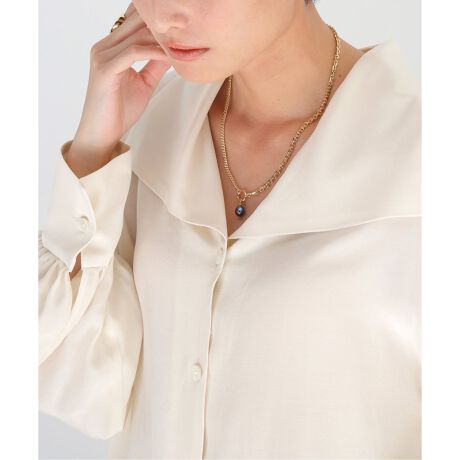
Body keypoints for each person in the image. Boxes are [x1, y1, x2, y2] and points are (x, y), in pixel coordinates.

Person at [39, 0, 421, 458]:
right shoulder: (154, 125)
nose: (164, 17)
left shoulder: (419, 166)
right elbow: (82, 388)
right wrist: (93, 153)